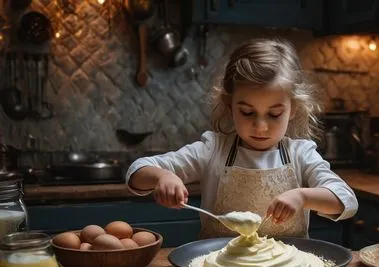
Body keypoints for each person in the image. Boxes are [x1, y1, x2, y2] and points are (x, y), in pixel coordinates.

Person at [126, 38, 358, 239]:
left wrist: (303, 196)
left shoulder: (301, 154)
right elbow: (137, 172)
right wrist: (163, 176)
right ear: (230, 105)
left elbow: (346, 200)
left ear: (293, 109)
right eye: (247, 112)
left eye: (274, 114)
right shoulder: (213, 150)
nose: (261, 126)